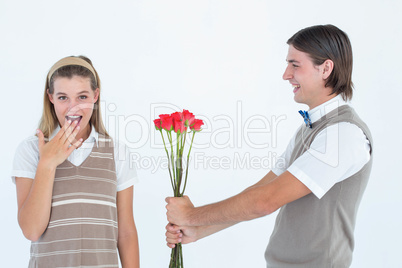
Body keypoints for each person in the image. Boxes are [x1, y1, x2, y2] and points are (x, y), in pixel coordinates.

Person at [165, 24, 373, 267]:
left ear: (326, 68)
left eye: (295, 65)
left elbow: (265, 202)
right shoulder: (310, 130)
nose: (286, 74)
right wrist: (199, 229)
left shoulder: (343, 134)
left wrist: (191, 215)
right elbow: (260, 190)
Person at [12, 56, 140, 267]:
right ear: (50, 97)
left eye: (82, 97)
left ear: (95, 96)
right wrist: (47, 163)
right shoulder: (30, 150)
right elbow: (31, 230)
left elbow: (125, 232)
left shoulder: (117, 152)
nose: (73, 108)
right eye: (63, 97)